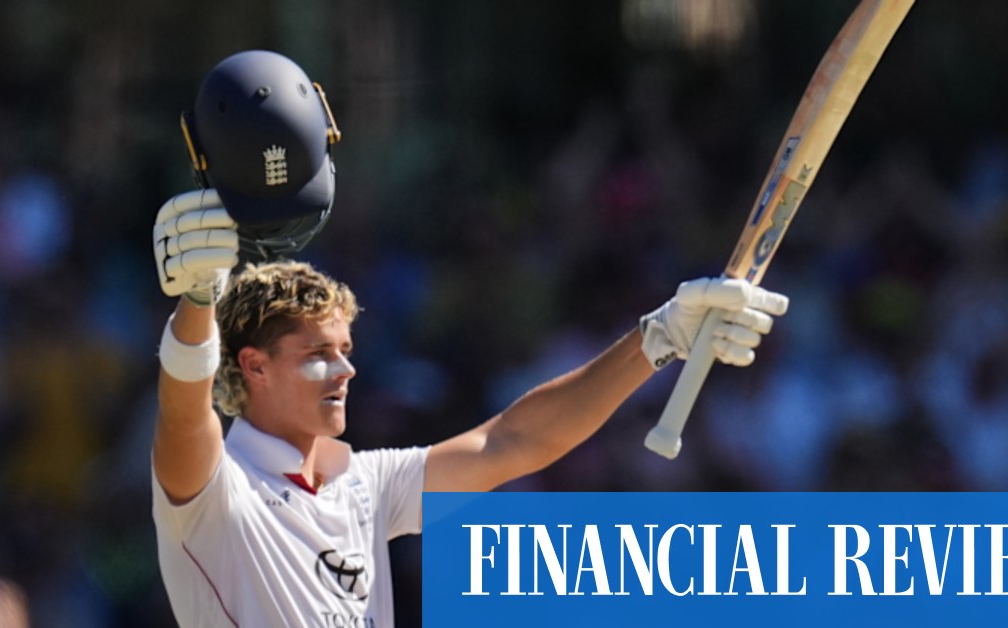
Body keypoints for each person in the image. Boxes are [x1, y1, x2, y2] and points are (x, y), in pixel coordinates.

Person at [150, 51, 789, 627]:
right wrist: (198, 301)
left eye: (344, 351)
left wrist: (659, 338)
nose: (345, 371)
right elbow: (183, 415)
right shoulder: (219, 493)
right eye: (318, 356)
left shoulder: (364, 484)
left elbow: (517, 440)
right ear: (255, 367)